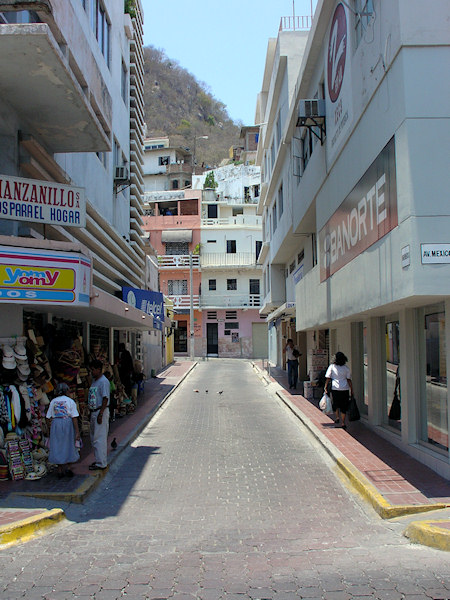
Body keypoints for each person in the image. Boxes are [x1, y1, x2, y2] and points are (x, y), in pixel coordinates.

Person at [46, 382, 80, 478]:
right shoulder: (70, 401)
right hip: (68, 424)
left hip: (56, 424)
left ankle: (60, 469)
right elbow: (74, 417)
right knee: (69, 444)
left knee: (57, 445)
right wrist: (77, 431)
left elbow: (48, 417)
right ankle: (69, 468)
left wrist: (49, 429)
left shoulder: (53, 401)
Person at [87, 359, 110, 470]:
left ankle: (101, 463)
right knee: (94, 438)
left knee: (99, 438)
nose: (91, 372)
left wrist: (100, 414)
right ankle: (98, 460)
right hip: (94, 411)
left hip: (100, 411)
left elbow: (105, 398)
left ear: (99, 369)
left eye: (93, 369)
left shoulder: (103, 382)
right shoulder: (95, 381)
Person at [324, 351, 353, 429]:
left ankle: (337, 417)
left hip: (335, 388)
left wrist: (325, 386)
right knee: (344, 406)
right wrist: (352, 389)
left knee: (335, 403)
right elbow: (349, 379)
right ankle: (343, 422)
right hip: (345, 388)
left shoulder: (332, 367)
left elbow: (328, 377)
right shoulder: (346, 368)